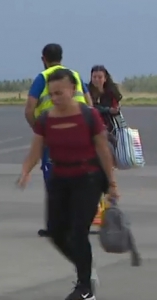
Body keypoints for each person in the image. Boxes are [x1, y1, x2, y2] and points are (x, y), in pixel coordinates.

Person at [17, 70, 119, 300]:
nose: (55, 98)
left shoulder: (89, 116)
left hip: (88, 178)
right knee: (55, 232)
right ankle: (86, 268)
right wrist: (25, 170)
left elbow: (103, 149)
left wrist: (112, 183)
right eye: (51, 94)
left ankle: (84, 289)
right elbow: (36, 149)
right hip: (60, 178)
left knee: (78, 232)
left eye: (59, 93)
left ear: (73, 91)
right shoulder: (46, 120)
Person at [24, 43, 92, 237]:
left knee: (54, 179)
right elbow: (90, 104)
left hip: (55, 136)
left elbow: (29, 109)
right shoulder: (75, 76)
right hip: (81, 136)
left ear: (43, 59)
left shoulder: (43, 78)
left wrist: (39, 132)